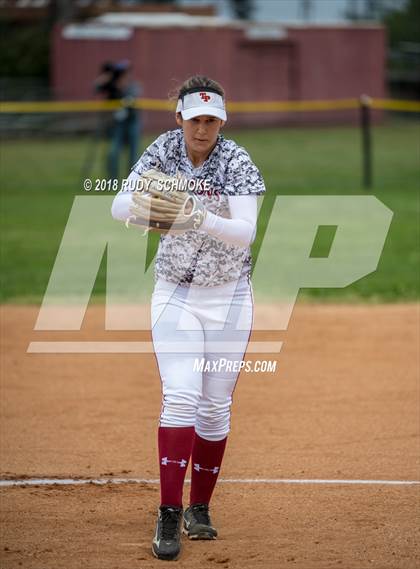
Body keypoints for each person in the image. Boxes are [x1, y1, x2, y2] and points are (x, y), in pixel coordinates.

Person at [111, 75, 266, 561]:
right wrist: (157, 216)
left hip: (229, 298)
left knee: (214, 408)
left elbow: (245, 232)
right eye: (195, 119)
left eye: (212, 120)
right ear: (178, 118)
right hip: (175, 292)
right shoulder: (162, 151)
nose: (203, 129)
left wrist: (196, 215)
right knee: (180, 396)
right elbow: (119, 204)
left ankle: (201, 506)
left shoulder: (236, 161)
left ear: (222, 121)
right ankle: (169, 512)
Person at [94, 60, 141, 180]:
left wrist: (122, 89)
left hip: (132, 122)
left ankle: (131, 181)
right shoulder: (112, 86)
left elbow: (134, 99)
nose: (123, 77)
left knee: (133, 155)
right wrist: (107, 77)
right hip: (118, 125)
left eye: (124, 73)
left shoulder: (132, 86)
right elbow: (96, 88)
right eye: (120, 74)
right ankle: (112, 180)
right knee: (113, 152)